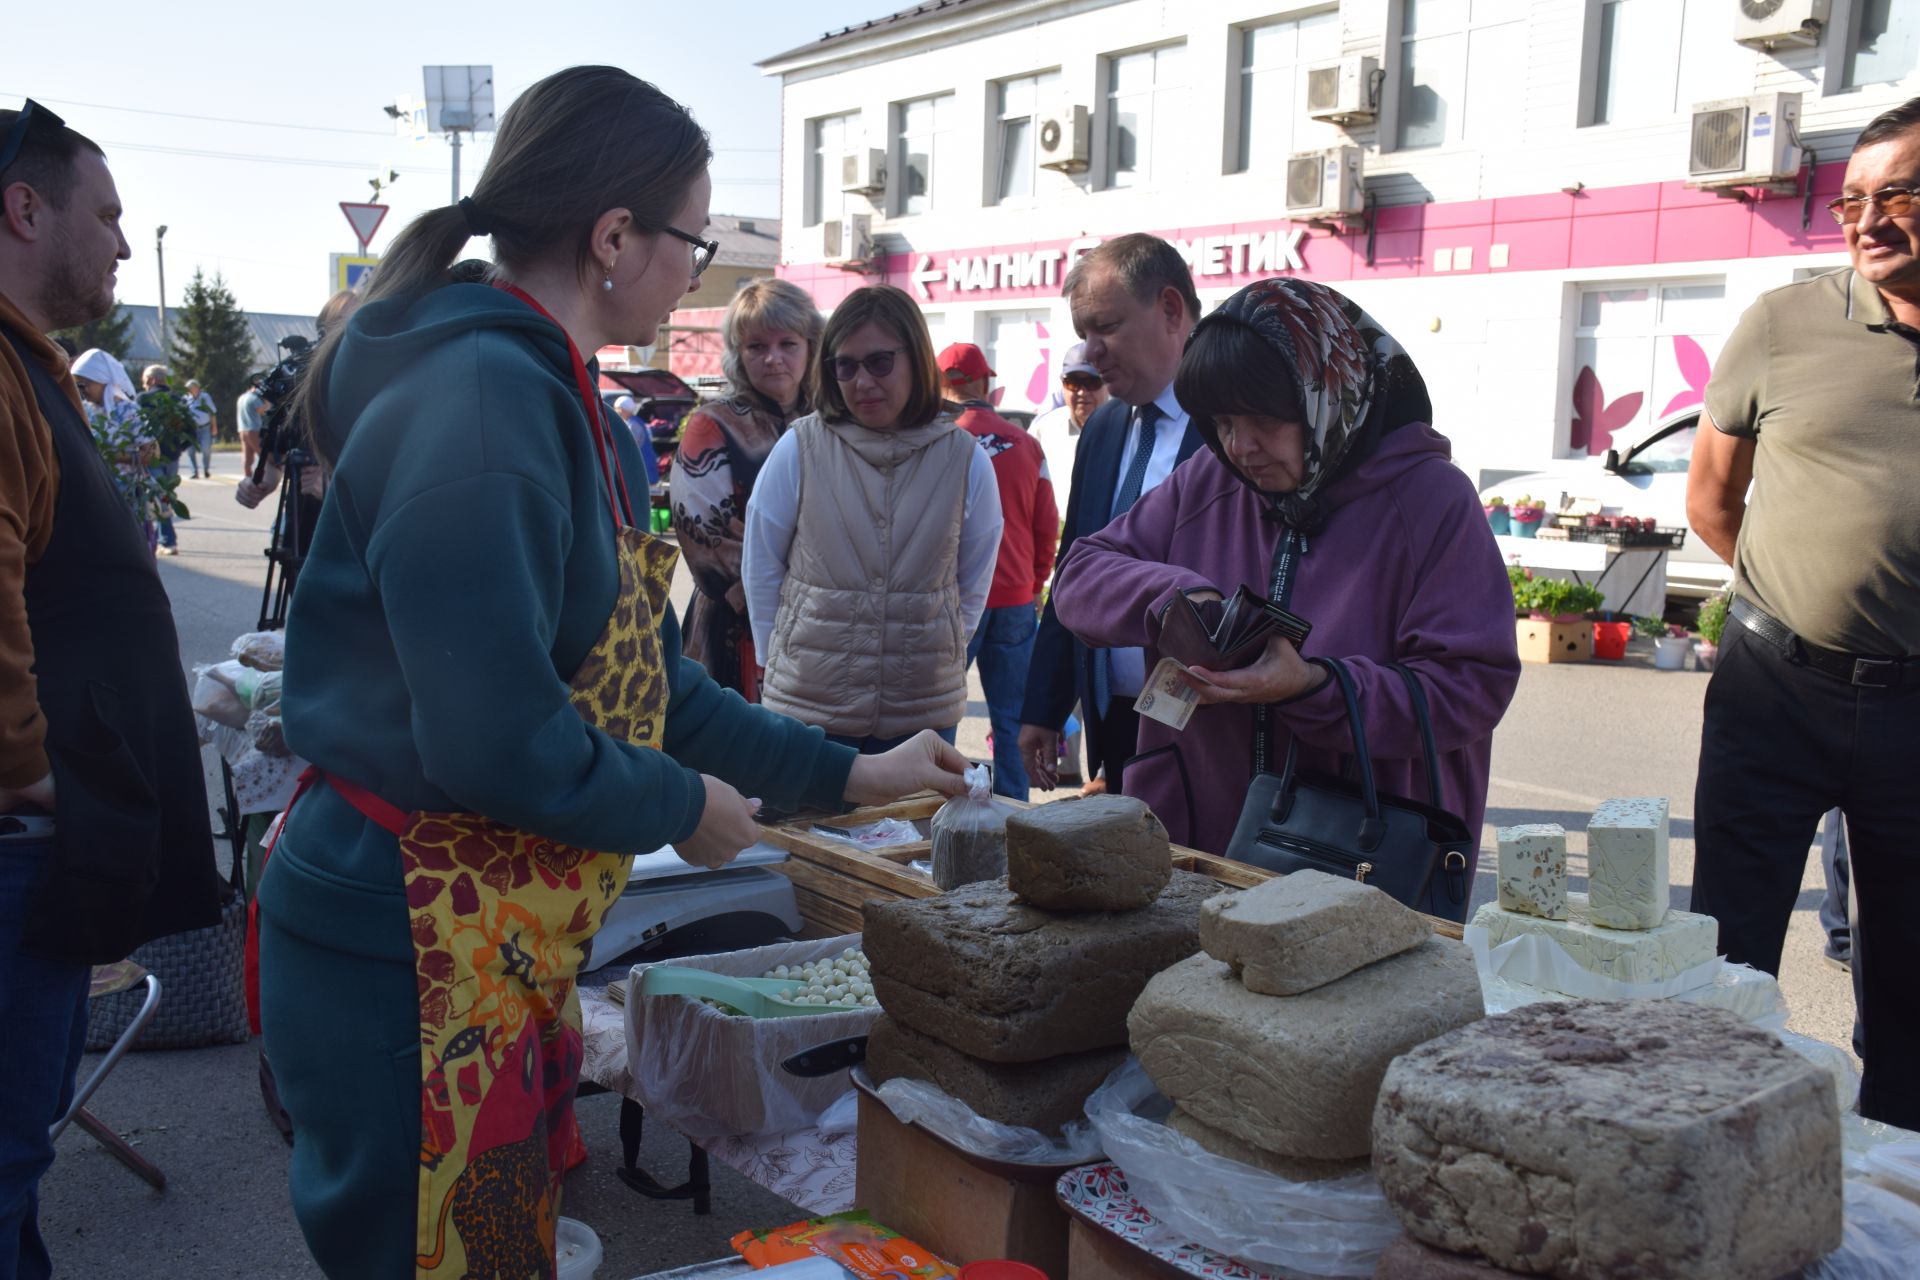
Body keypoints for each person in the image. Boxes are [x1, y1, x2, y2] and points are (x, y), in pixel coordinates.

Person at [256, 68, 967, 1280]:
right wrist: (679, 806)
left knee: (486, 1246)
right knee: (424, 1257)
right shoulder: (486, 404)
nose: (696, 265)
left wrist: (850, 772)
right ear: (613, 236)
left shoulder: (556, 388)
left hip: (467, 933)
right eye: (692, 235)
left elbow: (647, 680)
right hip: (406, 939)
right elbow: (492, 734)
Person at [1051, 278, 1520, 910]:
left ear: (1327, 395)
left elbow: (1470, 685)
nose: (1241, 447)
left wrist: (1316, 686)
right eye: (1222, 422)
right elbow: (1081, 574)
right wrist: (1176, 595)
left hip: (1355, 869)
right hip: (1195, 850)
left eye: (1266, 421)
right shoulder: (1210, 479)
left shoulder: (1433, 501)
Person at [0, 98, 223, 1280]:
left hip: (28, 836)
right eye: (108, 213)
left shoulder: (29, 369)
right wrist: (38, 784)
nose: (126, 245)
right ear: (22, 208)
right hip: (16, 841)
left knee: (13, 1158)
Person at [1685, 95, 1920, 1131]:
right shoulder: (1783, 323)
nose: (1869, 219)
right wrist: (1798, 599)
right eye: (1851, 200)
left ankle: (1896, 1188)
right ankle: (1712, 1156)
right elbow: (1710, 499)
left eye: (1898, 194)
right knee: (1729, 947)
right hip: (1773, 687)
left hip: (1916, 711)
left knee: (1911, 973)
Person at [743, 284, 1002, 754]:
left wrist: (936, 649)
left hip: (920, 714)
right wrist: (772, 660)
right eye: (845, 366)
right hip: (809, 708)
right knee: (804, 831)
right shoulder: (800, 447)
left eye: (880, 362)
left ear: (916, 359)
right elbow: (761, 566)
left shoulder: (966, 459)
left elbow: (972, 583)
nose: (862, 382)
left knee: (914, 831)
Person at [1019, 234, 1203, 795]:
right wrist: (1044, 706)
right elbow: (1077, 565)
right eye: (1083, 334)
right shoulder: (1103, 427)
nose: (1091, 351)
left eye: (1107, 327)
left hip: (1205, 720)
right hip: (1112, 716)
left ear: (1170, 309)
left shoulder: (1235, 423)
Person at [675, 277, 823, 699]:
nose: (773, 358)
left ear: (811, 345)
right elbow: (708, 541)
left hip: (824, 629)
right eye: (756, 347)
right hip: (737, 626)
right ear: (738, 354)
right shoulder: (714, 423)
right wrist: (797, 594)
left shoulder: (830, 420)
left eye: (787, 344)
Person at [939, 341, 1056, 799]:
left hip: (951, 601)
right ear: (985, 383)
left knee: (941, 715)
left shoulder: (938, 441)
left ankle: (940, 812)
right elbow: (1046, 525)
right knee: (1011, 720)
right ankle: (1012, 817)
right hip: (1013, 598)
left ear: (939, 383)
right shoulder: (1027, 443)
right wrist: (1034, 584)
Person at [1028, 342, 1107, 518]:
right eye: (1073, 383)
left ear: (1106, 383)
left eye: (1091, 382)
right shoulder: (1045, 429)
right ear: (1062, 385)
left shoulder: (1128, 427)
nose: (1082, 392)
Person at [140, 363, 183, 554]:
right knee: (164, 495)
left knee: (160, 497)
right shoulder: (178, 399)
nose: (144, 385)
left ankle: (166, 540)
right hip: (173, 456)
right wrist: (180, 448)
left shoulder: (144, 399)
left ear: (152, 379)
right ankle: (163, 539)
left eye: (145, 381)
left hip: (153, 457)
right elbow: (190, 429)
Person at [184, 375, 215, 478]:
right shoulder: (186, 398)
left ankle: (206, 469)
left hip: (204, 427)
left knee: (206, 449)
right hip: (191, 428)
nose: (190, 390)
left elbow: (212, 412)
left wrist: (214, 427)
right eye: (189, 388)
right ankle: (194, 472)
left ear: (197, 387)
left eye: (192, 387)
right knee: (190, 450)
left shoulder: (205, 397)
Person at [237, 375, 267, 475]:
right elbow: (262, 411)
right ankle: (265, 477)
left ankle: (248, 476)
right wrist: (267, 402)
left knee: (247, 457)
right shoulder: (254, 398)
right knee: (263, 455)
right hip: (254, 430)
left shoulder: (242, 397)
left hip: (242, 429)